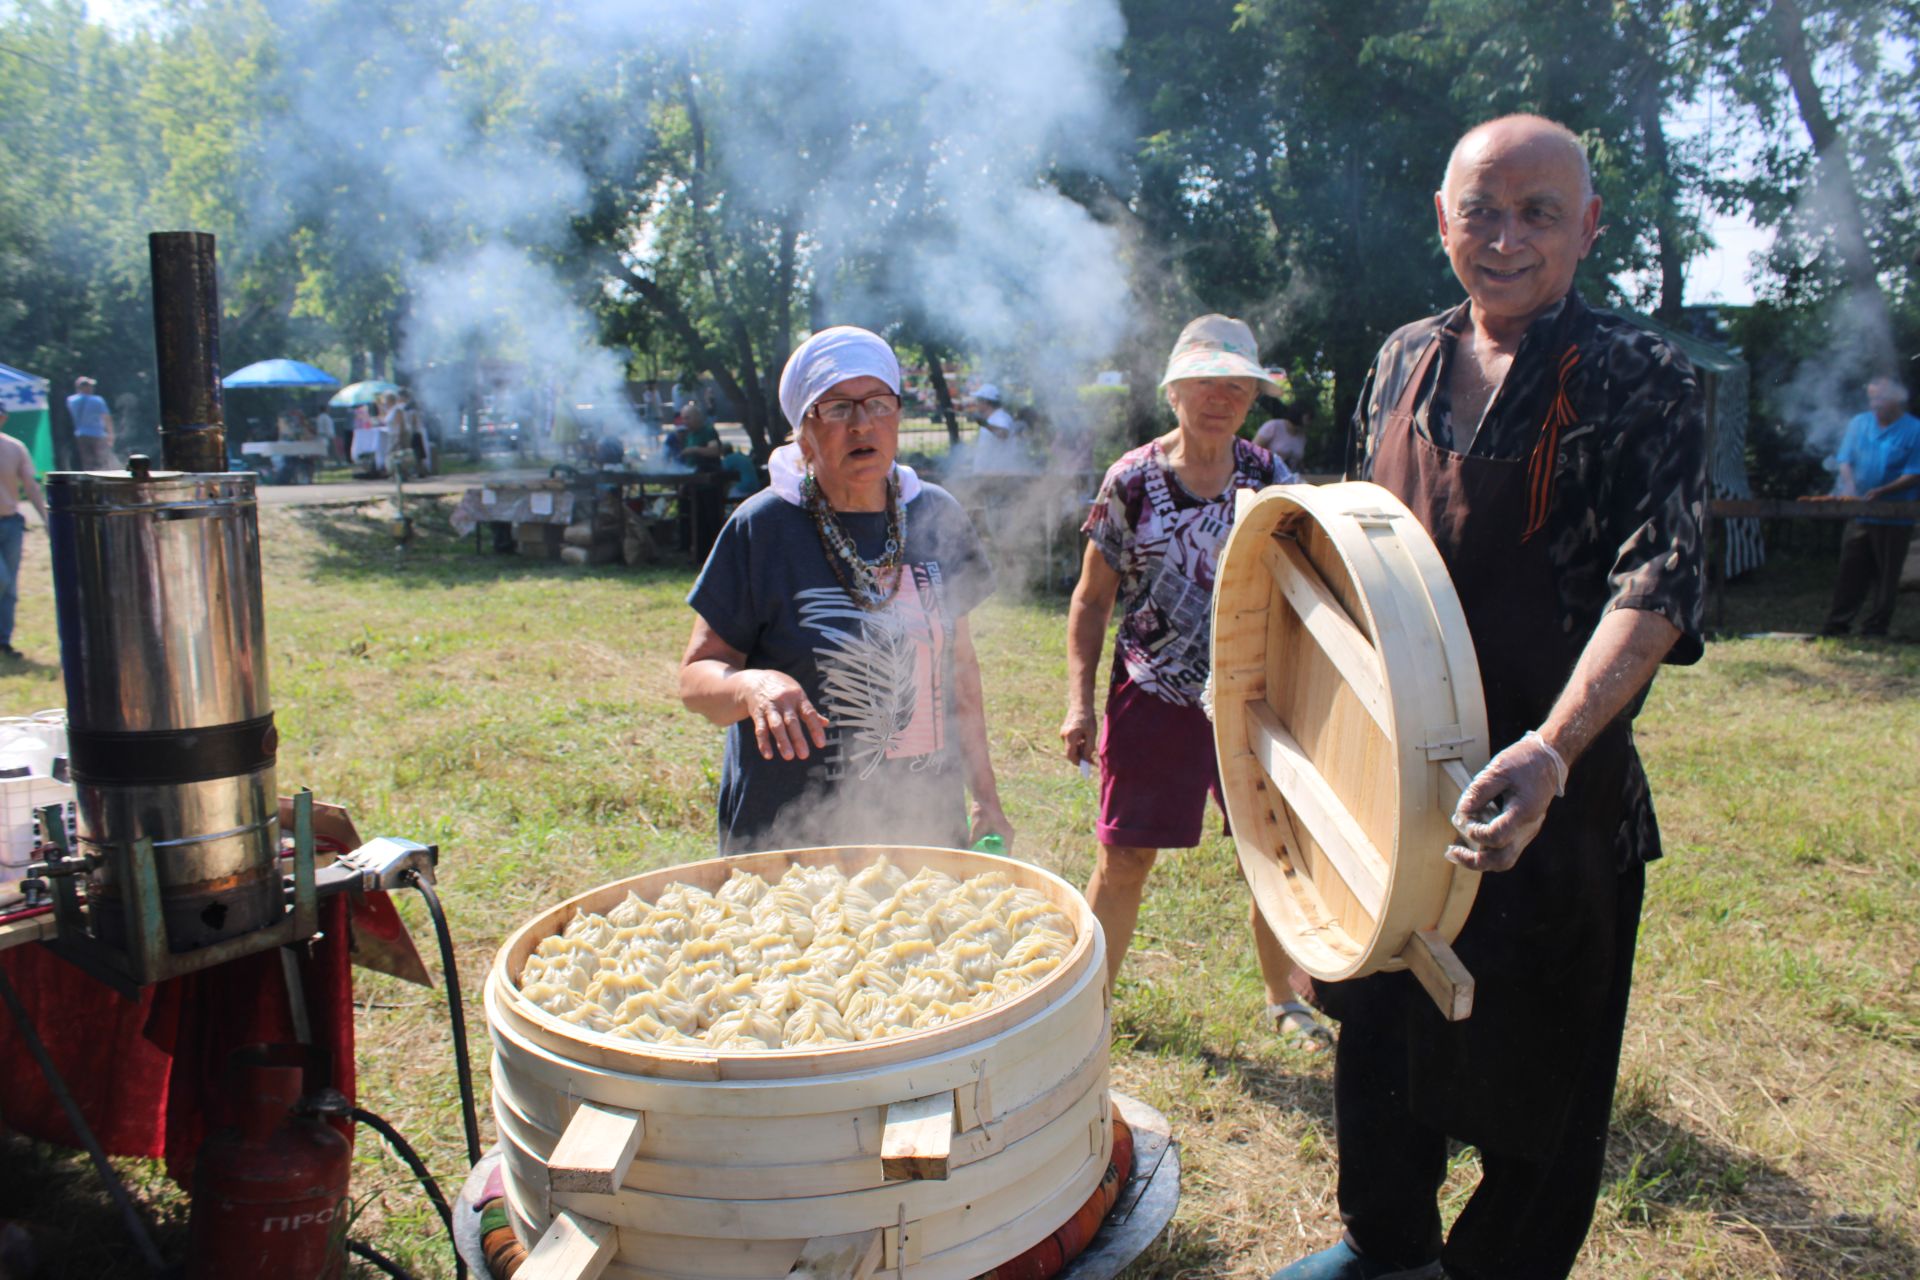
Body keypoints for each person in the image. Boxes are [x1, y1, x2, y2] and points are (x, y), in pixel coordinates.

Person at [1271, 115, 1706, 1280]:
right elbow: (1360, 554)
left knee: (1542, 1081)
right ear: (1442, 217)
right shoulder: (1402, 354)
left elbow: (1660, 577)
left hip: (1554, 798)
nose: (1506, 238)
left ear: (1590, 228)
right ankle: (1389, 1247)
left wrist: (1554, 749)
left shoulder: (1641, 374)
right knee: (1378, 1041)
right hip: (1395, 783)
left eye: (1539, 213)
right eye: (1482, 211)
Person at [1059, 315, 1317, 1041]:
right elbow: (1090, 600)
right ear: (1174, 391)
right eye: (1206, 382)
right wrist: (1079, 704)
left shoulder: (1272, 481)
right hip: (1152, 694)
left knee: (1276, 851)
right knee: (1126, 854)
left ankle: (1286, 999)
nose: (1221, 396)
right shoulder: (1132, 481)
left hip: (1253, 696)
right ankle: (1087, 1007)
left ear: (1252, 398)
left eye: (1237, 385)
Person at [678, 325, 1013, 855]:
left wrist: (985, 800)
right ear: (802, 434)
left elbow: (960, 672)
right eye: (836, 409)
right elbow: (696, 679)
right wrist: (752, 686)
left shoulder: (935, 515)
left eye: (878, 403)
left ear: (898, 415)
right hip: (788, 834)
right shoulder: (763, 527)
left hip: (921, 822)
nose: (862, 424)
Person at [1817, 376, 1920, 637]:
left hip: (1896, 515)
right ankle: (1837, 624)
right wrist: (1849, 486)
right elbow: (1845, 459)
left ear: (1897, 399)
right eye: (1872, 397)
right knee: (1850, 570)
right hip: (1860, 512)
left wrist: (1883, 491)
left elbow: (1915, 473)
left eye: (1880, 398)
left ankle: (1876, 627)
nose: (1875, 404)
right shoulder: (1859, 423)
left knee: (1887, 576)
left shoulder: (1915, 429)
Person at [0, 409, 48, 660]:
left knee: (10, 589)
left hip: (10, 523)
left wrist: (45, 518)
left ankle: (3, 642)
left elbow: (30, 485)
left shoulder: (14, 448)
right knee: (2, 580)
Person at [968, 384, 1029, 473]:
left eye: (978, 400)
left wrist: (984, 424)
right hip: (987, 474)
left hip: (997, 475)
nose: (976, 403)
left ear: (985, 402)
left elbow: (1003, 434)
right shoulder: (992, 418)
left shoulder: (1001, 417)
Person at [66, 376, 115, 470]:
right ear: (84, 387)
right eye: (90, 386)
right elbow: (106, 417)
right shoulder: (97, 400)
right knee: (102, 459)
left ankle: (90, 479)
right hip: (97, 434)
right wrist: (111, 434)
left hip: (80, 434)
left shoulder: (71, 400)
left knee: (87, 460)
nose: (92, 388)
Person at [1252, 396, 1312, 473]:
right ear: (1299, 413)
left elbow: (1298, 460)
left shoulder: (1302, 436)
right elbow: (1253, 451)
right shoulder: (1273, 426)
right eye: (1308, 418)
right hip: (1266, 475)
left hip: (1290, 479)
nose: (1310, 422)